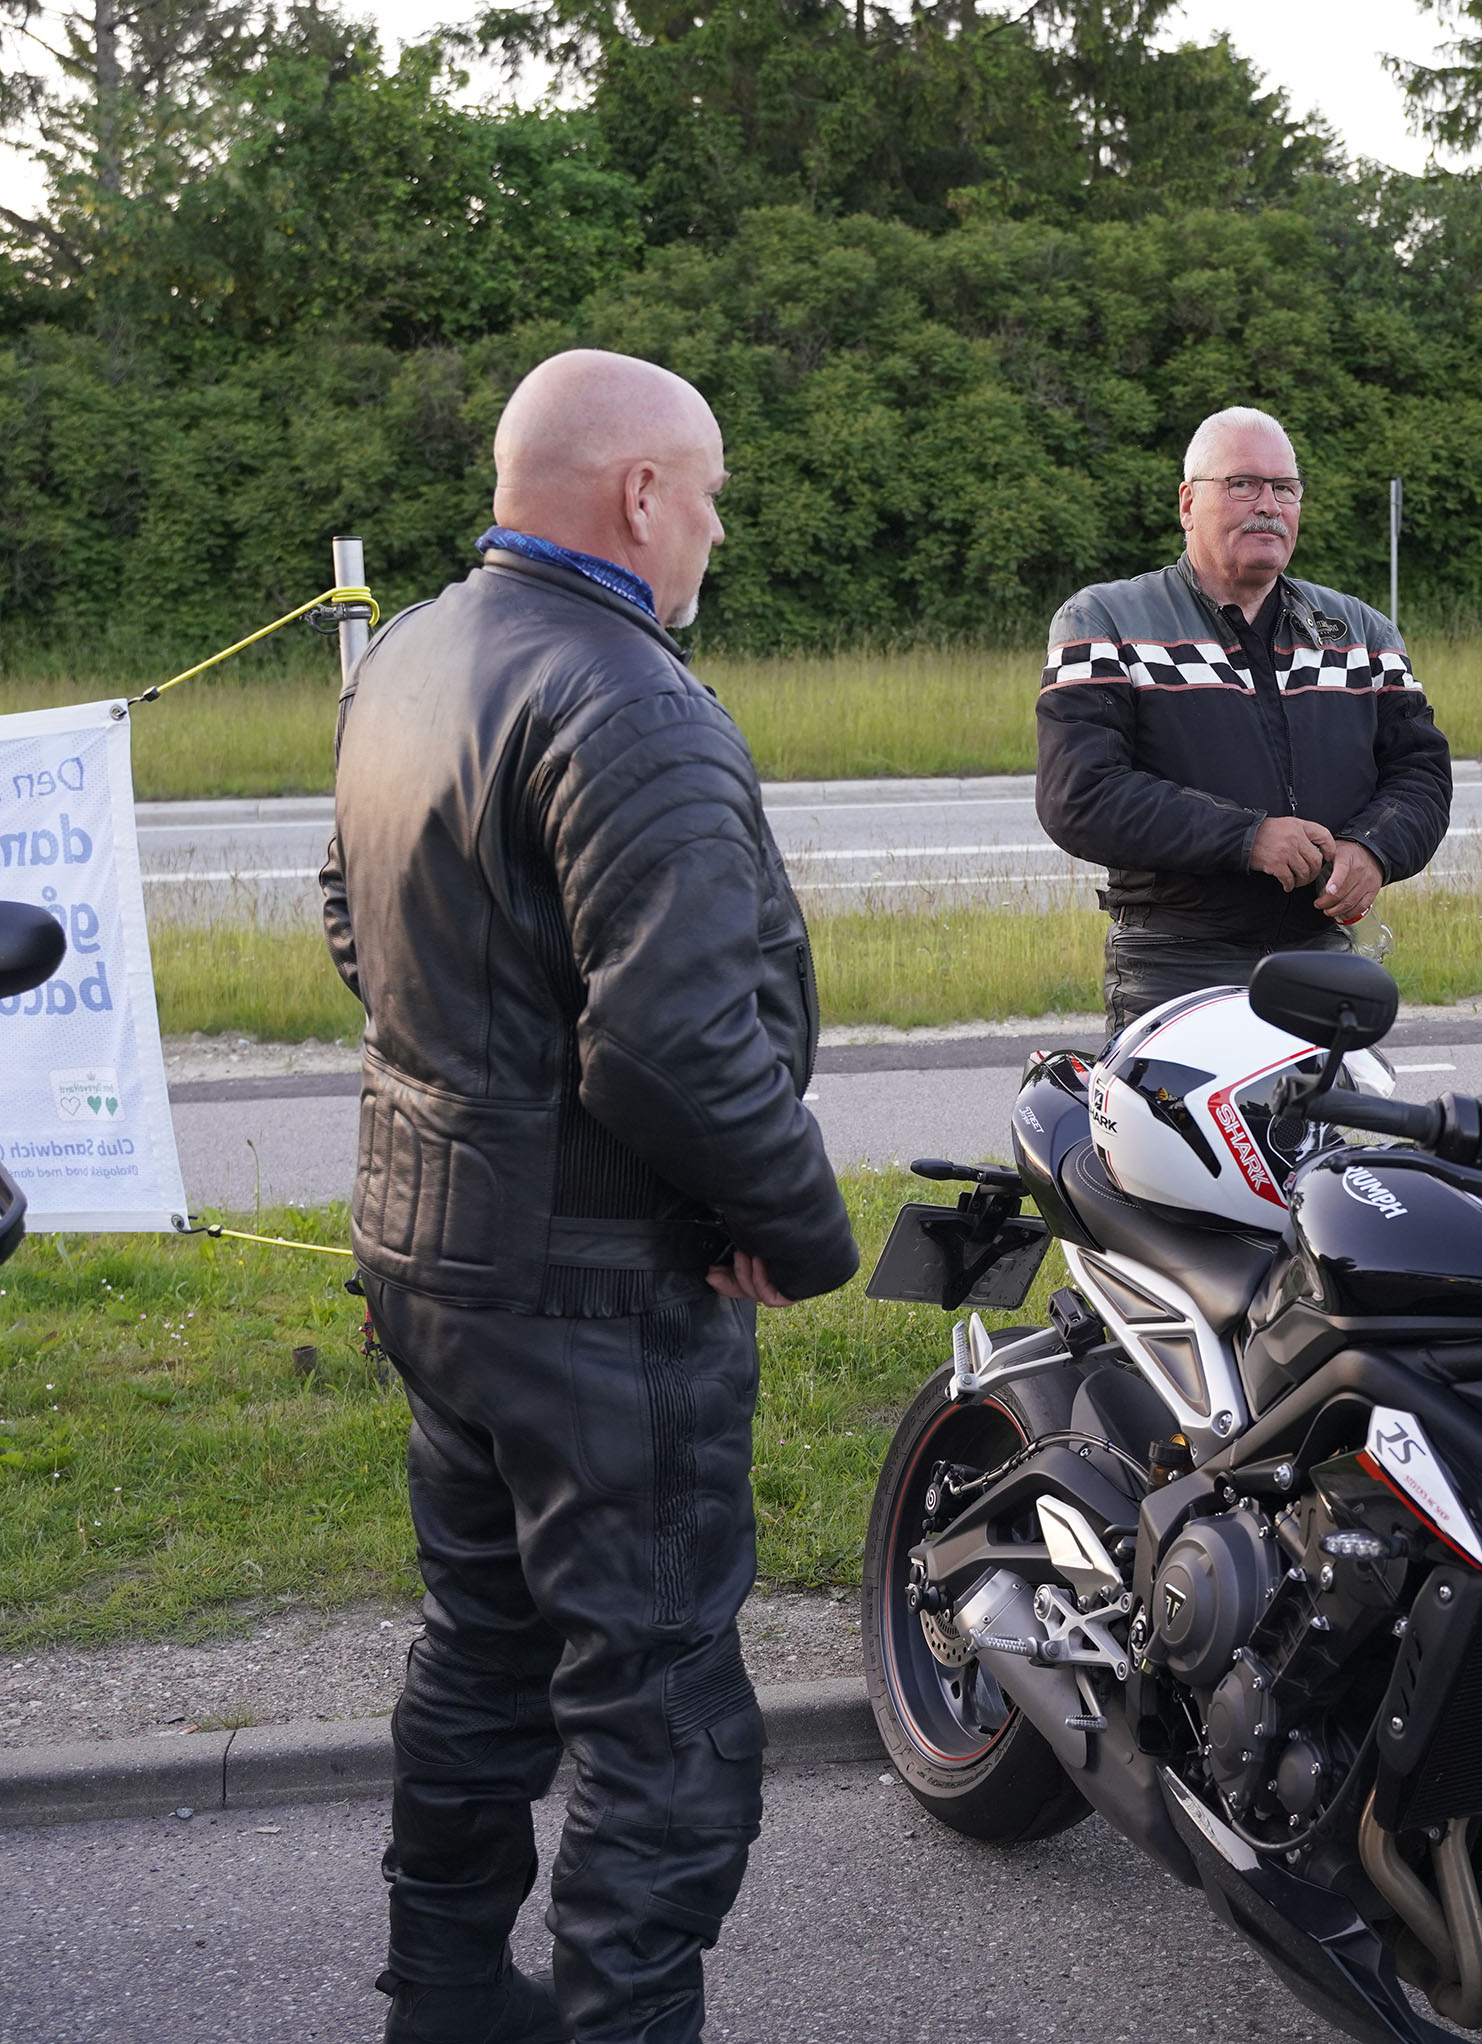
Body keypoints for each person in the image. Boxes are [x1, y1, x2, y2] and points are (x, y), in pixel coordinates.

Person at [320, 349, 860, 2044]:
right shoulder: (633, 701)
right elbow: (676, 1041)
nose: (716, 528)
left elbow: (355, 919)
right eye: (707, 494)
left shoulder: (414, 651)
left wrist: (479, 1089)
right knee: (662, 1720)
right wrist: (801, 1228)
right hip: (593, 1289)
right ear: (639, 494)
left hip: (438, 1258)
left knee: (482, 1650)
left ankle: (445, 2002)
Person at [1036, 406, 1454, 1036]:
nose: (1268, 505)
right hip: (1177, 963)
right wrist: (1249, 838)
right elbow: (1080, 794)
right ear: (1188, 503)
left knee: (1332, 1108)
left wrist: (1373, 848)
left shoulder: (1361, 631)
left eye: (1285, 488)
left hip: (1321, 956)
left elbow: (1420, 773)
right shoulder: (1105, 620)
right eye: (1242, 484)